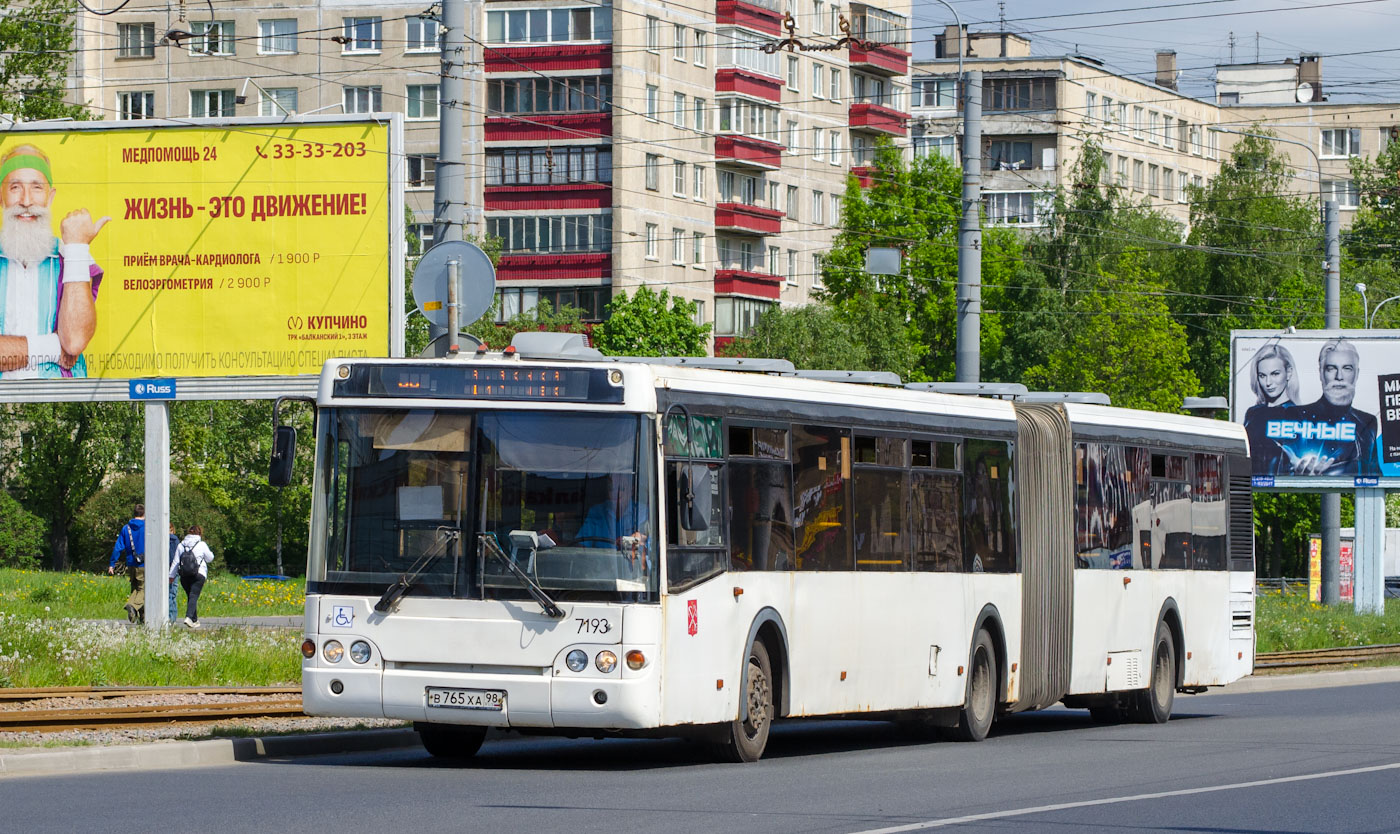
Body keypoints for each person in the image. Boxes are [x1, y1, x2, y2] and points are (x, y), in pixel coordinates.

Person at [0, 143, 106, 378]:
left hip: (60, 407)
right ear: (1, 196)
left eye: (37, 188)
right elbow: (66, 348)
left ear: (50, 196)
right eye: (15, 187)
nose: (26, 201)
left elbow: (75, 341)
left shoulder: (72, 255)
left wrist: (78, 247)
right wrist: (53, 347)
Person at [1280, 339, 1379, 476]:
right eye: (1331, 368)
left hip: (1356, 496)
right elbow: (1281, 468)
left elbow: (1375, 475)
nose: (1339, 377)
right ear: (1321, 373)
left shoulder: (1368, 421)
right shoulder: (1296, 415)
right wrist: (1297, 475)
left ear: (1356, 374)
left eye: (1347, 368)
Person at [1242, 344, 1301, 476]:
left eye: (1275, 374)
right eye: (1262, 376)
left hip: (1286, 487)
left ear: (1289, 372)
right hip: (1251, 482)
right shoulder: (1252, 414)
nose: (1268, 382)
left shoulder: (1298, 415)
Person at [575, 475, 649, 560]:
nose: (615, 493)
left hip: (631, 568)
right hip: (600, 567)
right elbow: (581, 547)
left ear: (631, 490)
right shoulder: (596, 512)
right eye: (611, 488)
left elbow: (645, 541)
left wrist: (634, 539)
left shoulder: (642, 512)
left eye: (621, 489)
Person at [170, 524, 215, 628]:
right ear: (199, 533)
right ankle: (189, 617)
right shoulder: (201, 544)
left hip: (184, 576)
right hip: (198, 574)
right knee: (193, 596)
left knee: (191, 596)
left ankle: (194, 620)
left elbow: (176, 562)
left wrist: (171, 576)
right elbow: (210, 558)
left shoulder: (181, 545)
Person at [107, 504, 146, 623]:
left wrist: (112, 564)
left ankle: (142, 618)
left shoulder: (126, 528)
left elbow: (118, 547)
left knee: (135, 589)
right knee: (143, 589)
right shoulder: (148, 527)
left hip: (131, 563)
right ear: (144, 514)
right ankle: (132, 606)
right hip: (144, 564)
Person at [167, 523, 180, 623]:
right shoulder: (175, 540)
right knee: (172, 594)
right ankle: (172, 619)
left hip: (162, 569)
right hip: (173, 570)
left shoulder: (159, 540)